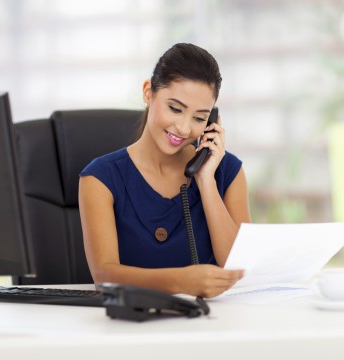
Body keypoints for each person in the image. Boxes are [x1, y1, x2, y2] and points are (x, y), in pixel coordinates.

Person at [79, 43, 251, 298]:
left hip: (214, 326)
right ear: (148, 93)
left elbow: (239, 269)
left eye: (199, 117)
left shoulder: (228, 172)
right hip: (132, 326)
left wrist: (206, 181)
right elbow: (104, 277)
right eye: (175, 109)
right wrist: (181, 281)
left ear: (212, 121)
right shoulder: (100, 178)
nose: (183, 128)